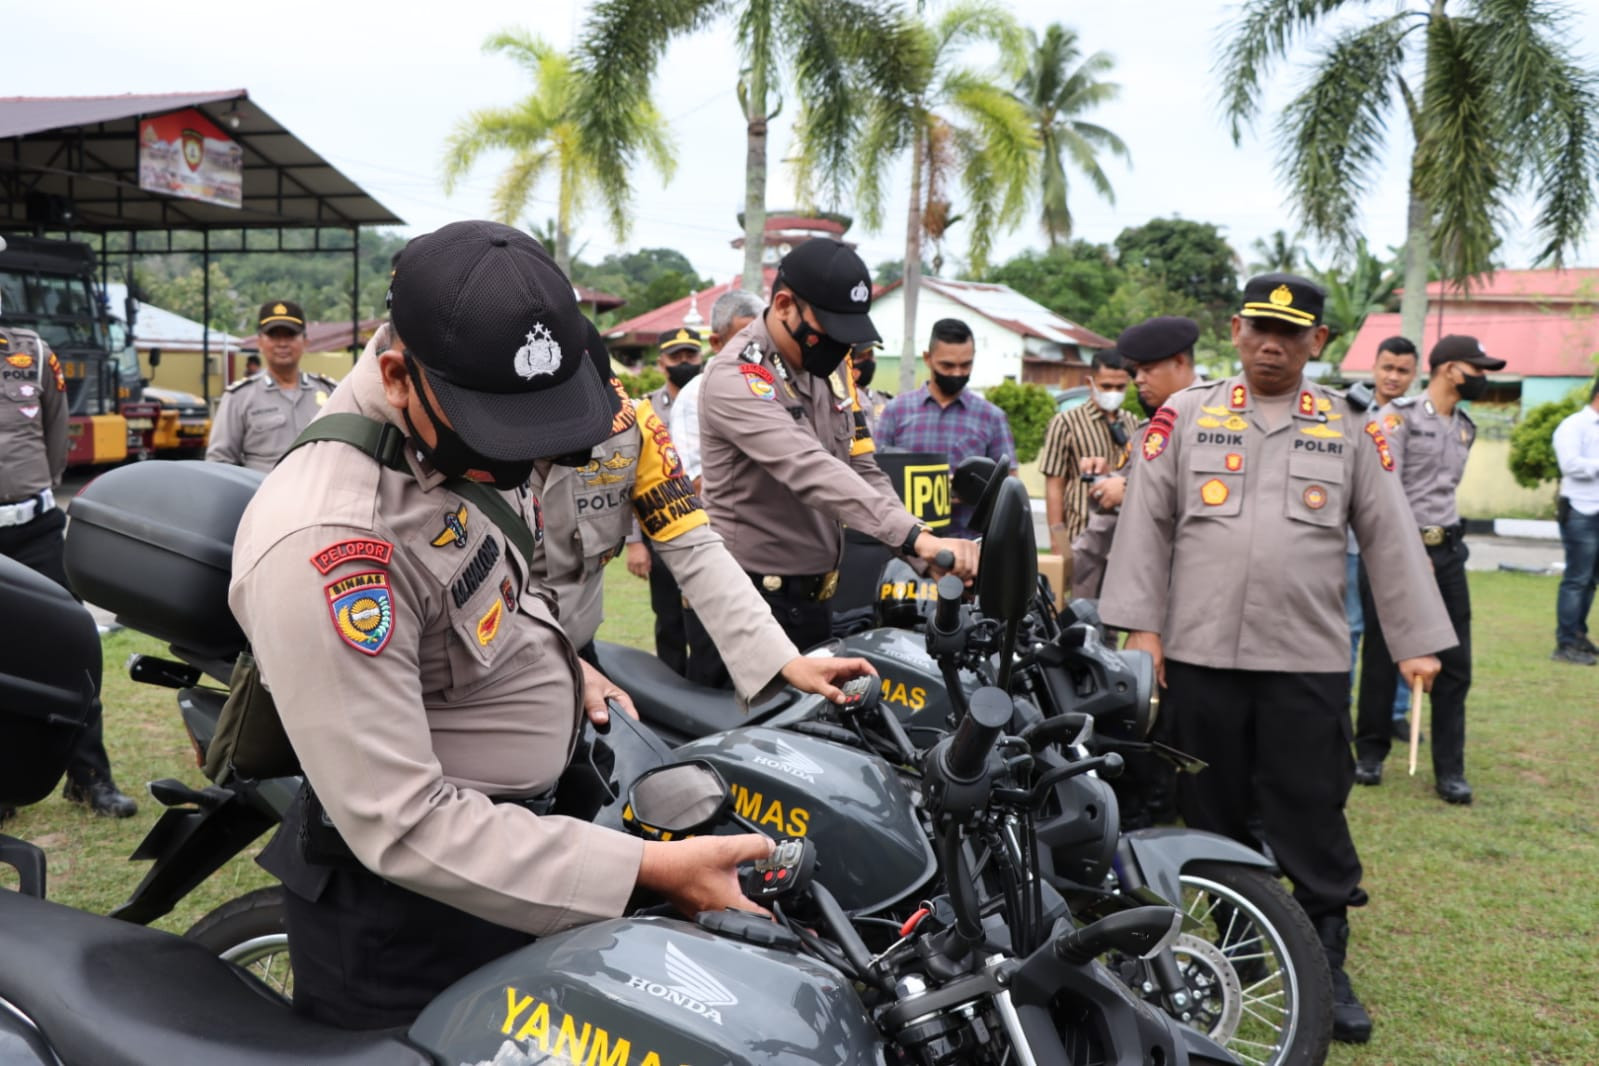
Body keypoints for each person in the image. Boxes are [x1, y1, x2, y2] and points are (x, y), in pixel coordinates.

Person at [229, 221, 780, 1029]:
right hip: (408, 919)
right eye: (505, 444)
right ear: (397, 376)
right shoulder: (334, 541)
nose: (528, 466)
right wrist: (646, 869)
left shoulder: (455, 431)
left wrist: (564, 663)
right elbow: (404, 822)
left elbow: (493, 590)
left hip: (522, 850)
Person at [1099, 273, 1456, 1044]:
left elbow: (1390, 536)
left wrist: (1416, 642)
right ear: (1234, 330)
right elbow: (1145, 527)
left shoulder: (1348, 426)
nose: (1272, 343)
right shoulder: (1185, 417)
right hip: (1197, 655)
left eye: (1290, 333)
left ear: (1316, 343)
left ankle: (1325, 960)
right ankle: (1240, 951)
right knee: (1210, 813)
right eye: (1260, 327)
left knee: (1309, 814)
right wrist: (1141, 628)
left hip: (1304, 659)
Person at [696, 238, 979, 663]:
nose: (841, 347)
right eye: (830, 330)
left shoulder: (827, 369)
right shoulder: (737, 377)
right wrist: (915, 537)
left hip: (814, 601)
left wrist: (921, 548)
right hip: (749, 603)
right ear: (786, 305)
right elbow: (810, 469)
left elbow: (863, 467)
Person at [1354, 334, 1505, 805]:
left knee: (1456, 663)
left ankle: (1450, 770)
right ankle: (1371, 754)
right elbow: (1384, 490)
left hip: (1447, 551)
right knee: (1382, 654)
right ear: (1448, 370)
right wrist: (1404, 549)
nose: (1482, 379)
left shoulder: (1465, 426)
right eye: (1475, 369)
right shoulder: (1395, 419)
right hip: (1397, 553)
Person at [0, 313, 137, 821]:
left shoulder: (32, 353)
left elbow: (56, 438)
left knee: (71, 649)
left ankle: (89, 778)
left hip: (34, 530)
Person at [1069, 317, 1199, 601]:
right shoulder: (1149, 429)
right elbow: (1114, 514)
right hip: (1145, 585)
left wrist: (1128, 491)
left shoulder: (1214, 424)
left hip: (1191, 586)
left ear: (1179, 362)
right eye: (1136, 371)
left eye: (1147, 370)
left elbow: (1207, 496)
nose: (1138, 379)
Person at [874, 318, 1018, 538]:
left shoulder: (992, 417)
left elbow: (1010, 486)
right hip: (907, 546)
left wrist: (975, 490)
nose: (957, 373)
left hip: (970, 547)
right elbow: (873, 474)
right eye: (947, 365)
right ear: (927, 359)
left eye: (966, 365)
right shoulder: (896, 411)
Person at [1343, 337, 1421, 731]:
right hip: (1351, 544)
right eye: (1387, 368)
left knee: (1399, 628)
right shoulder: (1348, 409)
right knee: (1350, 627)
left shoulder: (1417, 418)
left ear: (1414, 374)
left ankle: (1396, 714)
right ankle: (1341, 707)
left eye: (1402, 370)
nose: (1393, 377)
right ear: (1374, 367)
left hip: (1394, 546)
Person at [622, 327, 705, 675]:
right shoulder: (644, 410)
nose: (684, 362)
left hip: (709, 527)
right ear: (662, 362)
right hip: (661, 530)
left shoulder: (712, 400)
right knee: (669, 619)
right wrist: (634, 543)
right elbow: (627, 477)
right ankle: (671, 690)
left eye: (691, 355)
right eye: (677, 356)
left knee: (709, 623)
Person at [206, 300, 337, 471]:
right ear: (260, 342)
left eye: (290, 335)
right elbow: (219, 462)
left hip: (321, 494)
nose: (282, 343)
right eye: (274, 335)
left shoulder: (330, 392)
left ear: (305, 342)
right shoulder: (239, 397)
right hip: (262, 494)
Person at [1040, 349, 1138, 556]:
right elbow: (1055, 485)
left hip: (1124, 536)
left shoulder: (1132, 422)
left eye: (1120, 387)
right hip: (1081, 534)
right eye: (1106, 386)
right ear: (1089, 383)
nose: (1113, 392)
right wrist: (1057, 541)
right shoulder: (1066, 422)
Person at [1551, 377, 1599, 664]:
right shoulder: (1574, 425)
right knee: (1577, 579)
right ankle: (1565, 643)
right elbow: (1569, 464)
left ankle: (1579, 636)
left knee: (1591, 580)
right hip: (1580, 511)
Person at [851, 341, 891, 437]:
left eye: (871, 355)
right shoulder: (837, 402)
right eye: (860, 356)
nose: (868, 361)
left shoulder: (886, 402)